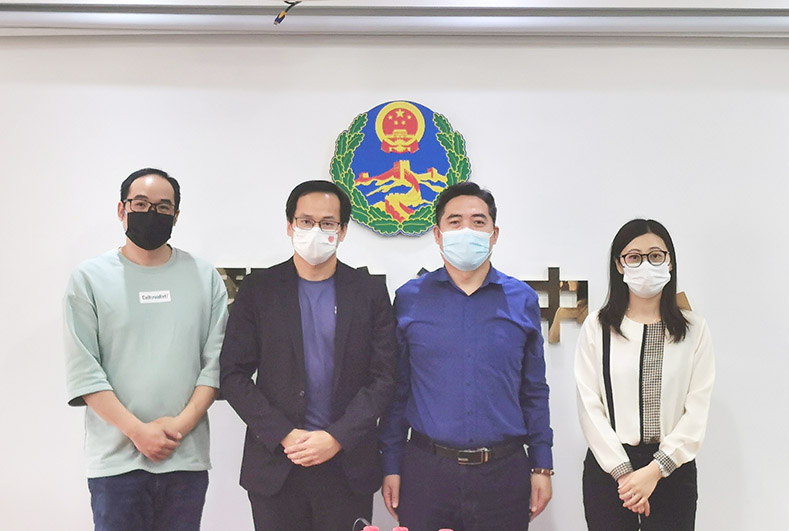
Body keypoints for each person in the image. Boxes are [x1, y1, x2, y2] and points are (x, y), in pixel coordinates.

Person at [219, 180, 398, 530]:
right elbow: (233, 375)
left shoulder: (369, 292)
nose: (316, 230)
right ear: (290, 226)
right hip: (277, 465)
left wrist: (337, 437)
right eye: (305, 221)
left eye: (327, 222)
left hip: (346, 466)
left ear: (342, 230)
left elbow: (384, 377)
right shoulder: (259, 290)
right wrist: (285, 434)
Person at [379, 182, 554, 531]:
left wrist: (541, 464)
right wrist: (391, 464)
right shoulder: (410, 299)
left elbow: (534, 390)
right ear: (438, 234)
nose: (466, 231)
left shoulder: (521, 299)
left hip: (503, 473)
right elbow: (398, 390)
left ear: (494, 233)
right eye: (455, 221)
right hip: (427, 472)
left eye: (478, 221)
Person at [64, 168, 229, 531]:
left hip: (184, 460)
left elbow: (215, 365)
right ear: (121, 209)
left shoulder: (204, 277)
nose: (151, 213)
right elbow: (85, 370)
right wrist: (137, 431)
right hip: (116, 464)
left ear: (176, 215)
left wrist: (178, 428)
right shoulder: (89, 278)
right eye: (140, 204)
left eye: (163, 207)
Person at [575, 218, 715, 531]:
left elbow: (697, 410)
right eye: (634, 257)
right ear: (619, 265)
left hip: (672, 470)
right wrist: (626, 476)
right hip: (610, 470)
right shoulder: (597, 327)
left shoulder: (694, 329)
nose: (646, 265)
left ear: (669, 261)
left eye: (655, 256)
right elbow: (589, 406)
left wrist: (653, 472)